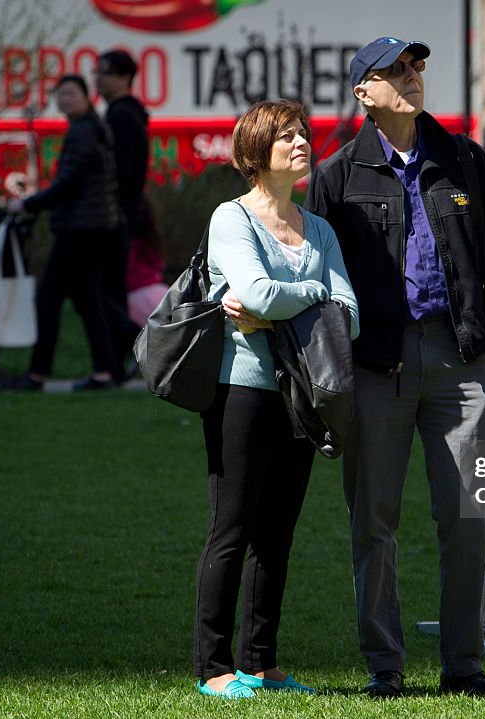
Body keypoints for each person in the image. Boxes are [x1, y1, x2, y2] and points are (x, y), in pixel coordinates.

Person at [305, 37, 485, 698]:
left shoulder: (466, 159)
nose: (413, 76)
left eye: (417, 65)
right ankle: (385, 667)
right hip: (376, 366)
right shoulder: (338, 175)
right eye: (397, 68)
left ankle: (464, 663)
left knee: (470, 515)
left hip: (463, 363)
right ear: (363, 91)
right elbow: (316, 274)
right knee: (374, 520)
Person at [194, 99, 359, 699]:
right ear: (255, 154)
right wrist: (311, 299)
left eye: (303, 134)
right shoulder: (230, 219)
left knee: (278, 534)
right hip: (242, 388)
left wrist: (291, 302)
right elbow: (258, 294)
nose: (300, 144)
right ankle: (213, 668)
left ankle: (261, 664)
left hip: (303, 396)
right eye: (286, 136)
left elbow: (351, 315)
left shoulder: (320, 229)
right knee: (232, 528)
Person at [7, 74, 120, 391]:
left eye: (71, 94)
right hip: (91, 227)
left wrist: (29, 204)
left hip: (79, 229)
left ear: (87, 97)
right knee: (88, 301)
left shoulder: (84, 132)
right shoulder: (89, 128)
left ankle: (36, 374)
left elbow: (68, 183)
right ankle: (104, 372)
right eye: (60, 95)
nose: (64, 100)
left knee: (48, 299)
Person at [94, 49, 150, 380]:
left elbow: (121, 174)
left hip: (114, 218)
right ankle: (115, 364)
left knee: (98, 291)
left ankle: (135, 340)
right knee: (109, 290)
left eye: (105, 72)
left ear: (125, 78)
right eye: (97, 71)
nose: (98, 78)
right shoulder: (126, 113)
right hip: (121, 217)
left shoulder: (120, 117)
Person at [125, 197, 168, 328]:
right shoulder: (150, 240)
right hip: (160, 292)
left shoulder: (127, 246)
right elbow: (159, 264)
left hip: (136, 296)